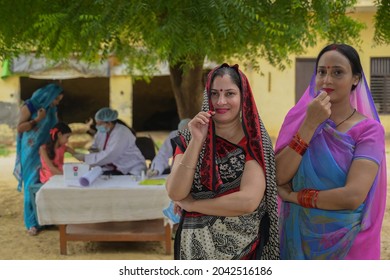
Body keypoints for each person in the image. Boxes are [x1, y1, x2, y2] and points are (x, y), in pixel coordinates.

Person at [275, 43, 387, 259]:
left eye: (337, 72)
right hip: (297, 240)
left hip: (348, 244)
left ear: (355, 78)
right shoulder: (299, 119)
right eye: (322, 72)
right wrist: (309, 125)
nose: (327, 80)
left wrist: (295, 196)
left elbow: (353, 196)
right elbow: (278, 176)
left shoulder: (369, 131)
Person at [166, 63, 280, 260]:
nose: (220, 101)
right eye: (214, 94)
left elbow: (248, 201)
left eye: (229, 94)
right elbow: (176, 191)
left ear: (243, 97)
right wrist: (197, 141)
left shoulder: (254, 142)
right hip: (193, 251)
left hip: (243, 252)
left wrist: (193, 205)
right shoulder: (187, 137)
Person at [13, 83, 64, 236]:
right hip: (30, 152)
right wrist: (37, 119)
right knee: (31, 186)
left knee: (44, 185)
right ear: (47, 96)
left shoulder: (52, 108)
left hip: (46, 150)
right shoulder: (29, 106)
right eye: (56, 99)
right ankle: (31, 223)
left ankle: (43, 220)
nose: (57, 103)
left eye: (59, 100)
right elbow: (20, 128)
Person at [74, 107, 146, 175]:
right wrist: (91, 152)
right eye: (97, 123)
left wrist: (86, 158)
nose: (97, 126)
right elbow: (95, 146)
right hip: (112, 167)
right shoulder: (102, 132)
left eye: (99, 123)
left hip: (130, 168)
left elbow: (110, 154)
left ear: (109, 123)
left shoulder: (121, 133)